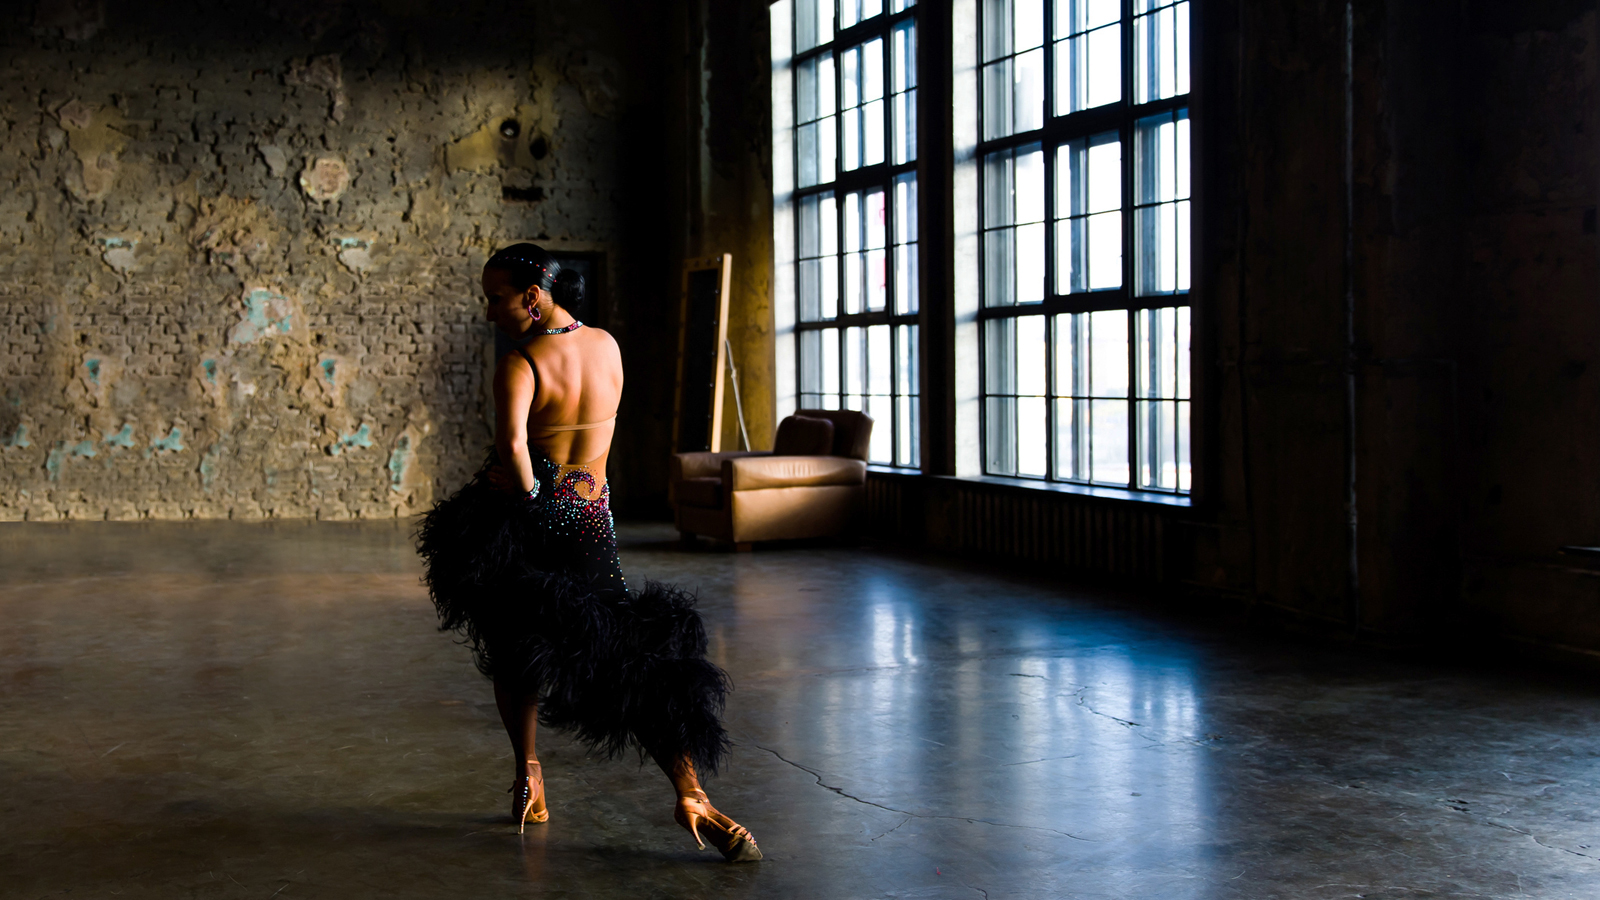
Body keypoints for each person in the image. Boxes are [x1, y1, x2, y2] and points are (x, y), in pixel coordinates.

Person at [417, 243, 760, 862]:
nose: (488, 311)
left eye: (495, 299)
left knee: (515, 645)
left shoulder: (521, 363)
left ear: (532, 297)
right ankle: (691, 793)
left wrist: (532, 500)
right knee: (627, 654)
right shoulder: (606, 345)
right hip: (592, 521)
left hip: (532, 524)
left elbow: (515, 449)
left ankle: (528, 775)